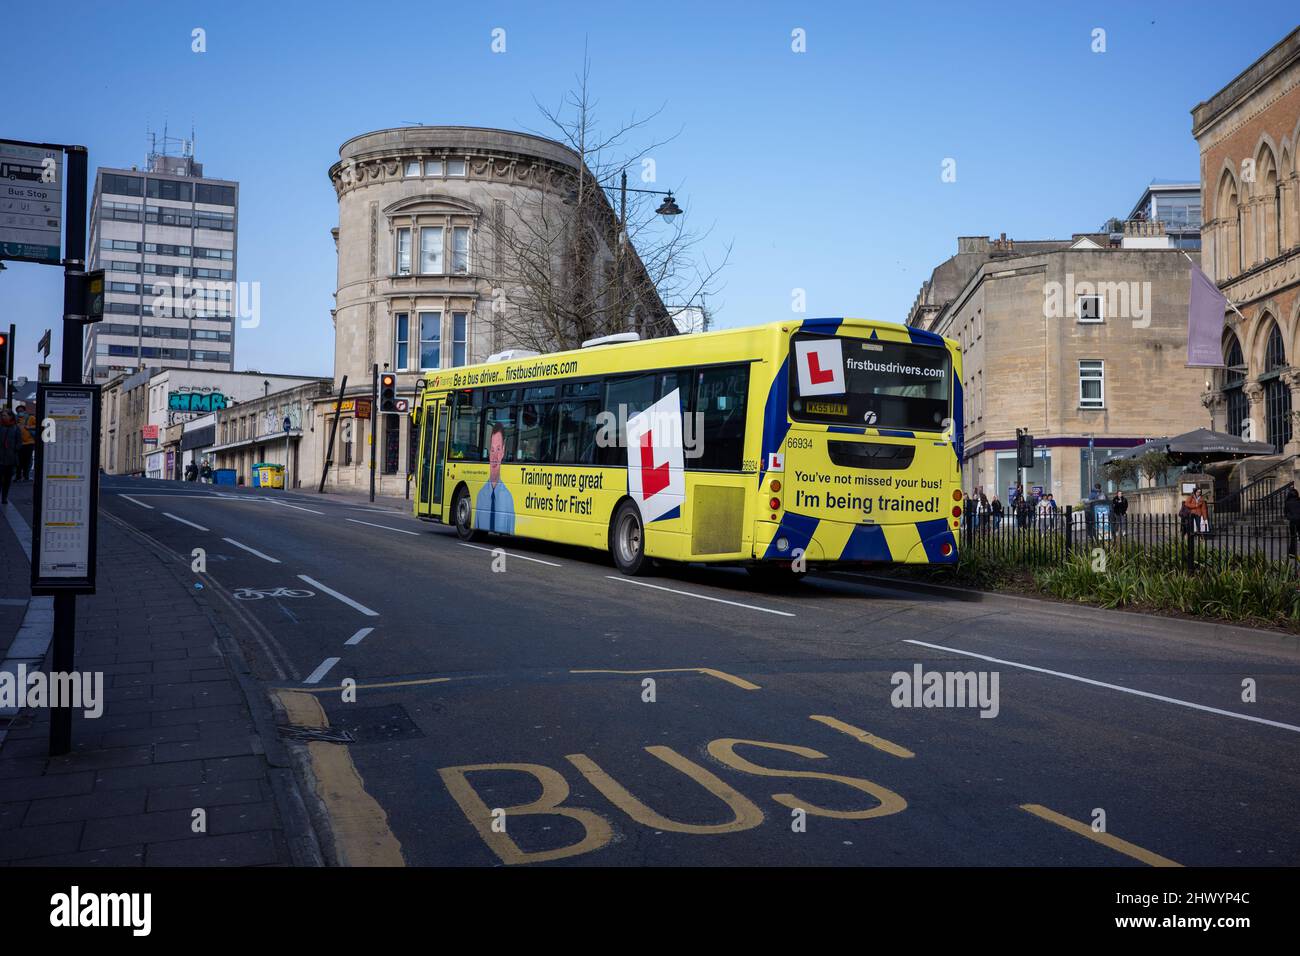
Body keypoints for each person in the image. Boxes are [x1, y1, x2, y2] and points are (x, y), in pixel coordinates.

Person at [475, 422, 516, 533]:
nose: (495, 456)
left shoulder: (509, 499)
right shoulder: (480, 496)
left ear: (503, 452)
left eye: (498, 449)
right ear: (488, 452)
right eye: (492, 450)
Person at [0, 409, 19, 505]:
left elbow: (19, 442)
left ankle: (4, 497)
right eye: (2, 415)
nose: (3, 417)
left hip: (10, 459)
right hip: (0, 458)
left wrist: (15, 448)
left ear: (10, 417)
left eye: (5, 415)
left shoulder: (15, 428)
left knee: (7, 480)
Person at [15, 404, 36, 481]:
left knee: (27, 461)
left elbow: (38, 425)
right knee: (18, 461)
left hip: (29, 443)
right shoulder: (15, 419)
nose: (20, 412)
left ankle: (26, 476)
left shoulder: (31, 418)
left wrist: (29, 427)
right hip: (19, 443)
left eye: (21, 411)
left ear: (24, 411)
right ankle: (18, 476)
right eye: (18, 411)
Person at [1285, 485, 1300, 560]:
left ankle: (1292, 553)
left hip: (1293, 521)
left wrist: (1290, 517)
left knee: (1293, 537)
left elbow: (1286, 514)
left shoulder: (1287, 503)